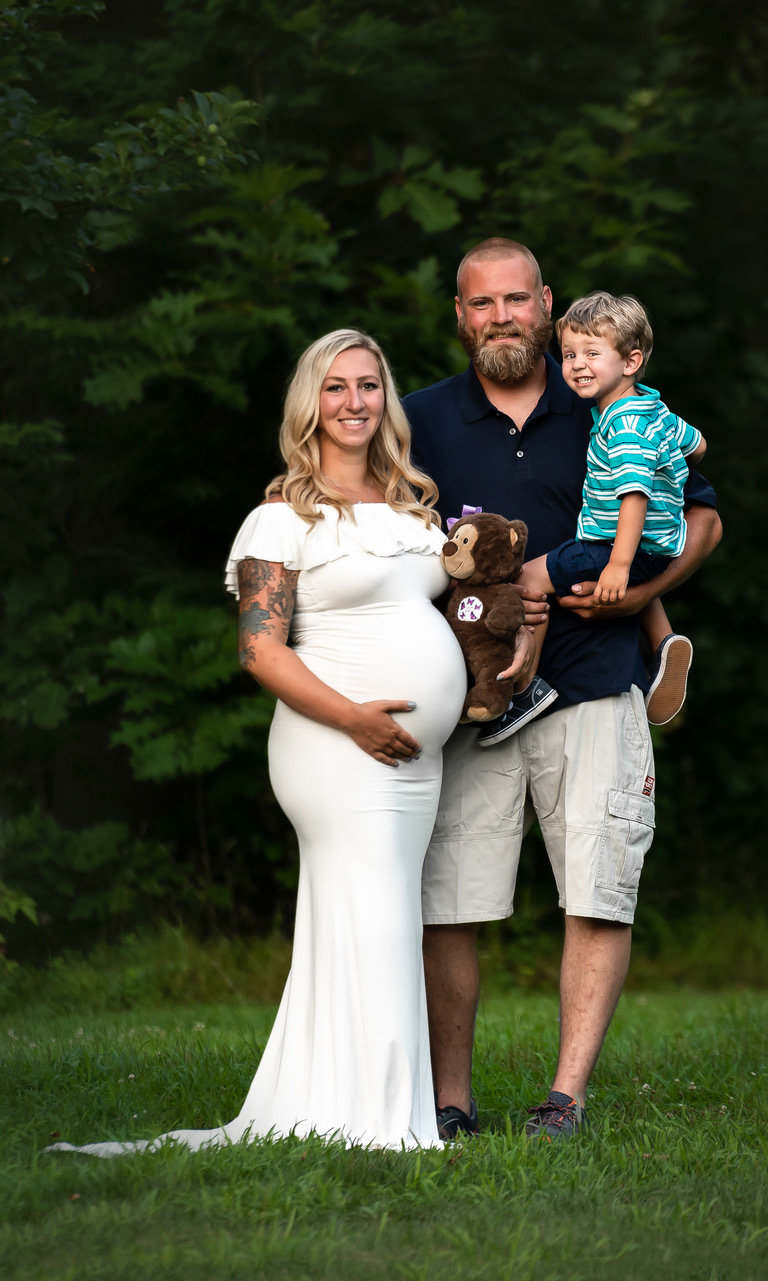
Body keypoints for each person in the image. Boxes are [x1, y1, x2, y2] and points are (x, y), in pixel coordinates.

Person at [46, 329, 468, 1157]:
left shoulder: (414, 506)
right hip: (335, 747)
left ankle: (351, 1106)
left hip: (411, 754)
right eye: (336, 387)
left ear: (387, 399)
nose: (354, 402)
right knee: (379, 918)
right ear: (309, 403)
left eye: (369, 385)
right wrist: (354, 717)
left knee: (374, 918)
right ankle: (388, 1130)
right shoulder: (281, 517)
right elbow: (259, 649)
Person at [403, 238, 721, 1141]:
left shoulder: (604, 399)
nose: (500, 316)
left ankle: (564, 1099)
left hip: (594, 683)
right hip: (470, 698)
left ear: (545, 304)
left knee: (598, 888)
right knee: (450, 901)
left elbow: (704, 516)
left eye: (516, 299)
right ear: (458, 315)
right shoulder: (419, 419)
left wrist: (643, 594)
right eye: (480, 303)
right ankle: (449, 1103)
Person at [492, 290, 708, 744]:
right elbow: (699, 445)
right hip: (659, 544)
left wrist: (618, 565)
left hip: (616, 548)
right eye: (569, 354)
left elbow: (633, 495)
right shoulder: (653, 407)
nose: (576, 365)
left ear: (630, 362)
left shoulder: (622, 424)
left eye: (592, 353)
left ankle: (526, 687)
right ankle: (665, 642)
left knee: (526, 580)